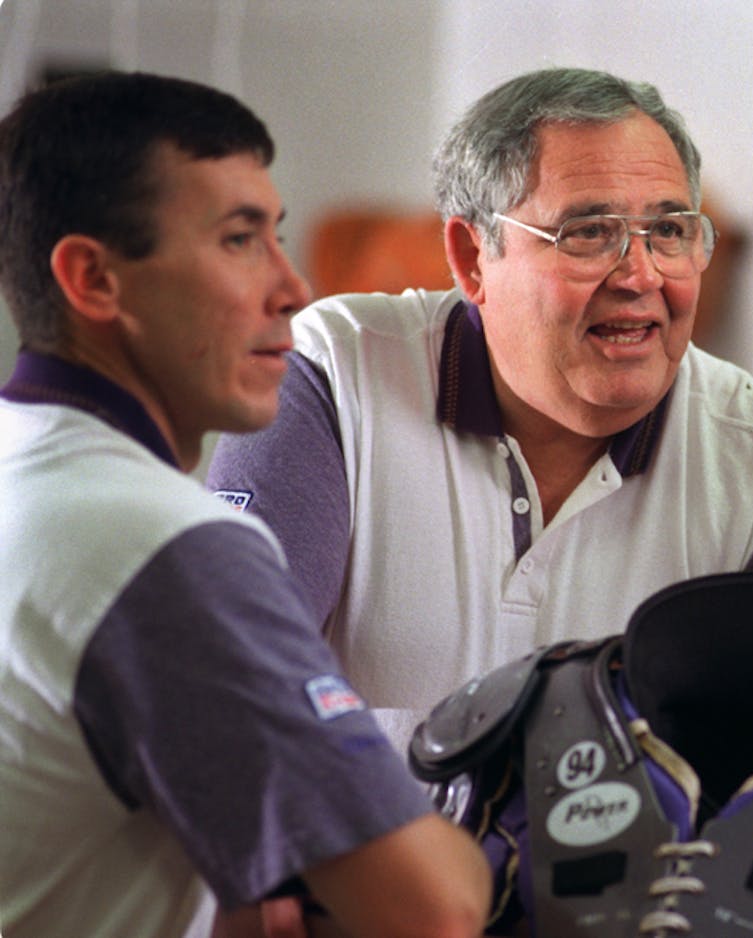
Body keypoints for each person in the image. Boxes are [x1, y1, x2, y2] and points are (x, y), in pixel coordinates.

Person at [205, 67, 753, 746]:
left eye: (669, 231)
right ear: (471, 258)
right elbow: (230, 695)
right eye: (588, 232)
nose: (640, 276)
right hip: (349, 855)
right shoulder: (332, 377)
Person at [0, 71, 490, 938]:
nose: (292, 288)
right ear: (92, 277)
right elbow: (432, 909)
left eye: (277, 237)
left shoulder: (24, 463)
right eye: (238, 240)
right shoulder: (161, 546)